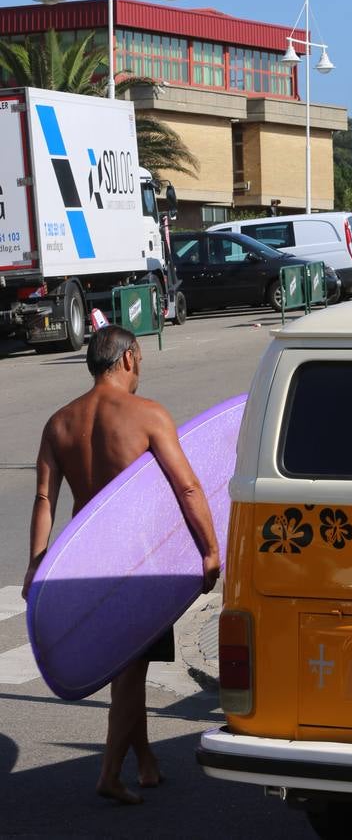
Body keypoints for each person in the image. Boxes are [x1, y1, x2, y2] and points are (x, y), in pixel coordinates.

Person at [22, 325, 221, 806]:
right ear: (129, 358)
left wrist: (35, 565)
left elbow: (45, 498)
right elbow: (189, 488)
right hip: (138, 564)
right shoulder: (147, 415)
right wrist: (210, 551)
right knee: (129, 674)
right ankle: (109, 775)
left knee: (127, 667)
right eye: (140, 362)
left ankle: (147, 763)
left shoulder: (59, 422)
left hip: (87, 559)